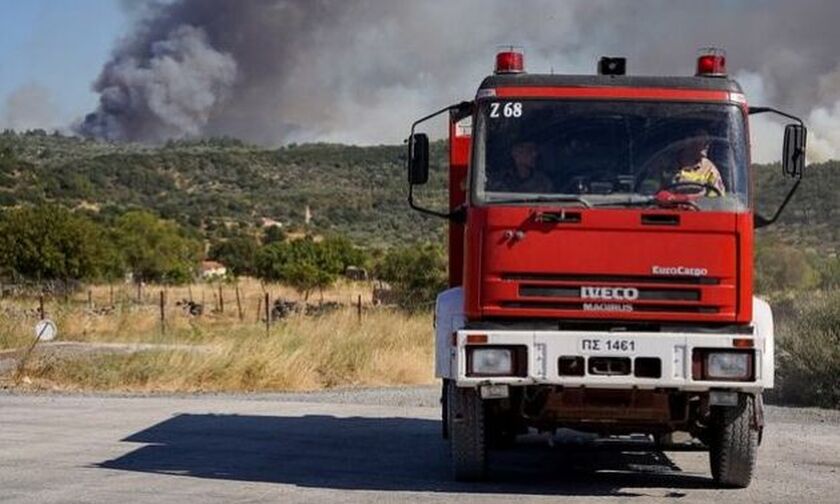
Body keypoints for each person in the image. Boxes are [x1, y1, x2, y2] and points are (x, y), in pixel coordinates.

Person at [672, 130, 725, 195]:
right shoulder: (667, 166)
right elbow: (657, 195)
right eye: (703, 139)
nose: (707, 144)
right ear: (688, 141)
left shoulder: (709, 169)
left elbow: (717, 199)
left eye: (708, 141)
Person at [488, 141, 553, 193]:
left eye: (535, 150)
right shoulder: (498, 180)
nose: (534, 154)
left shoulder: (543, 182)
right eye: (529, 150)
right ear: (515, 153)